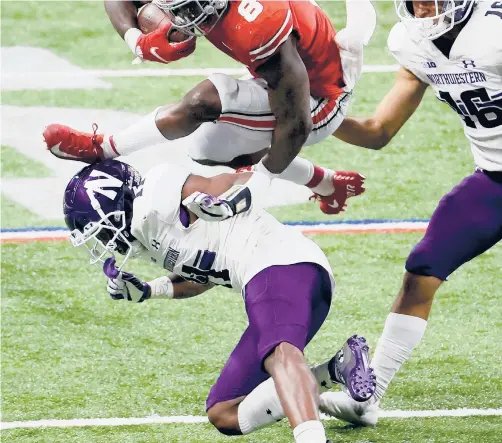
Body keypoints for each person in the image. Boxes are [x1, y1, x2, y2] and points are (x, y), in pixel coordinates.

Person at [63, 158, 377, 441]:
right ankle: (337, 369)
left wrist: (227, 200)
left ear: (113, 204)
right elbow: (203, 275)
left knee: (281, 356)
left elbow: (234, 181)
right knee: (223, 412)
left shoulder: (157, 193)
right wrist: (149, 290)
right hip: (278, 284)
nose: (105, 241)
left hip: (279, 264)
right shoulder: (147, 235)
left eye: (100, 230)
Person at [321, 0, 502, 425]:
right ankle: (367, 398)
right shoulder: (409, 42)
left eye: (434, 2)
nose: (426, 11)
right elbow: (379, 131)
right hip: (494, 180)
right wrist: (324, 116)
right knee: (421, 271)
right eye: (418, 3)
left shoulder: (495, 29)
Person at [44, 0, 376, 215]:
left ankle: (102, 148)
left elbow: (297, 123)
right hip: (273, 70)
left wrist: (258, 184)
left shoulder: (261, 21)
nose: (176, 13)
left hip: (318, 98)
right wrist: (137, 41)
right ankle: (327, 183)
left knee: (203, 102)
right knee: (206, 148)